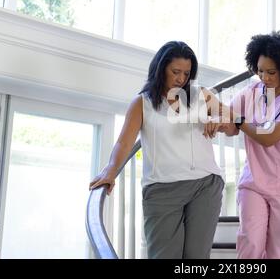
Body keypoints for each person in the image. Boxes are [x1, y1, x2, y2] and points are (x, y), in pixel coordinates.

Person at [89, 41, 225, 259]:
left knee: (196, 258)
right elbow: (124, 142)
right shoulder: (141, 103)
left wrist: (219, 119)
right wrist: (110, 171)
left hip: (205, 185)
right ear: (161, 69)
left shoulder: (201, 95)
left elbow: (232, 120)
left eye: (187, 73)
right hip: (161, 189)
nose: (181, 78)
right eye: (175, 72)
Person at [213, 31, 280, 259]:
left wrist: (235, 119)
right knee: (250, 244)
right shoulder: (251, 92)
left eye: (271, 72)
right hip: (253, 182)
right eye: (260, 70)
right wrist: (218, 123)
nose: (264, 77)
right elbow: (231, 124)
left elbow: (268, 137)